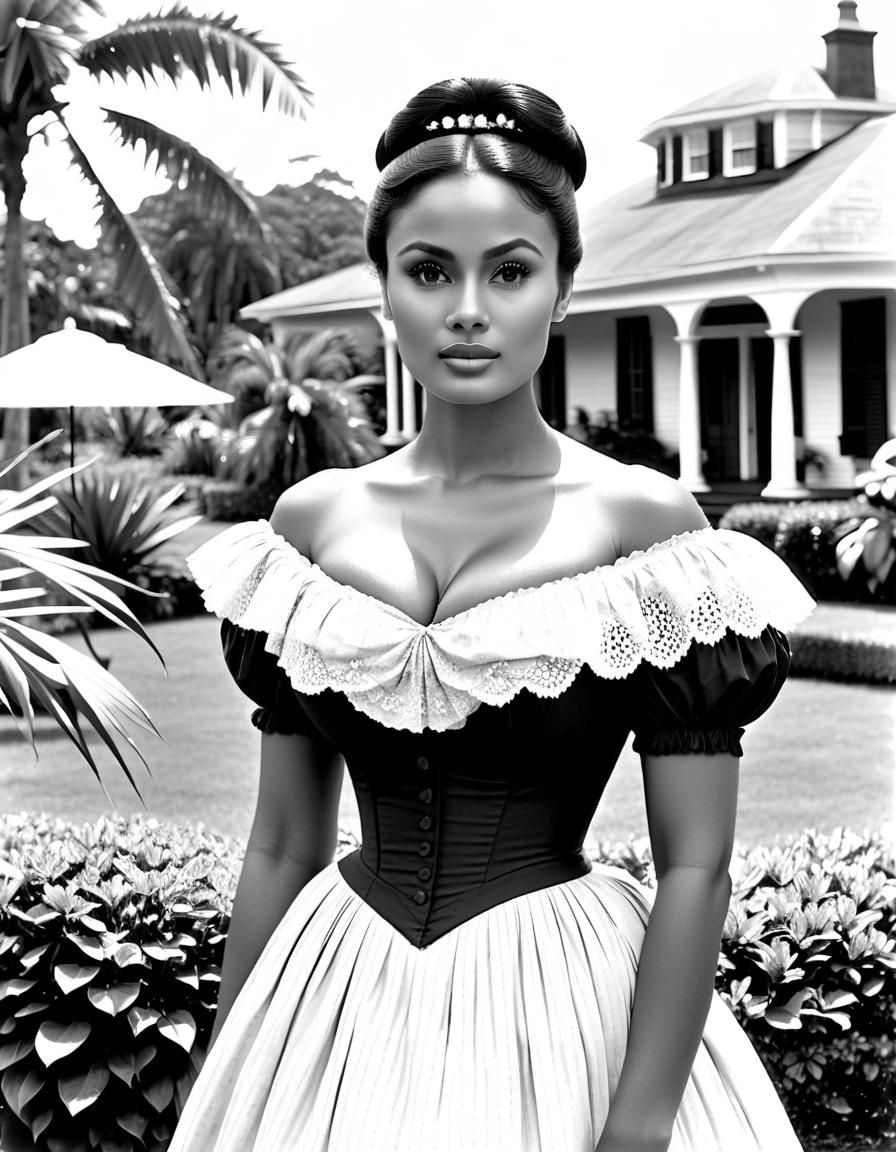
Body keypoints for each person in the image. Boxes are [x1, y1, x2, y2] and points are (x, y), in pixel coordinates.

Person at [172, 78, 816, 1152]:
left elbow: (695, 867)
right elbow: (282, 841)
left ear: (563, 289)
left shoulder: (647, 529)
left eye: (509, 271)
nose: (467, 309)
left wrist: (638, 1128)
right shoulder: (309, 525)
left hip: (555, 1007)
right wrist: (227, 1071)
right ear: (384, 289)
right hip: (334, 997)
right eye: (428, 271)